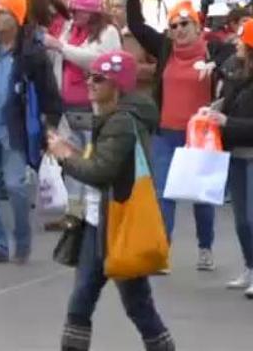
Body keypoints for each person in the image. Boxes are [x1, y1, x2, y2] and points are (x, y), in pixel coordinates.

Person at [48, 50, 176, 351]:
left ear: (117, 85)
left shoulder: (120, 122)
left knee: (135, 304)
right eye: (89, 76)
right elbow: (101, 165)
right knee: (85, 299)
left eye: (98, 78)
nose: (89, 83)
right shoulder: (110, 116)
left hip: (116, 224)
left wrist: (66, 157)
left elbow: (101, 171)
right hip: (100, 221)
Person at [126, 0, 234, 272]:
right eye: (174, 25)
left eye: (185, 23)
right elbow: (136, 26)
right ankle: (161, 251)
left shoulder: (212, 49)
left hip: (200, 135)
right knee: (163, 192)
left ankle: (205, 247)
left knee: (201, 196)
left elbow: (234, 53)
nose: (179, 30)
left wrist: (216, 66)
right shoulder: (165, 49)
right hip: (166, 132)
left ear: (197, 26)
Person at [0, 0, 62, 264]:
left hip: (16, 131)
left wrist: (49, 128)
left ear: (18, 19)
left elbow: (50, 96)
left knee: (16, 186)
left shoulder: (33, 54)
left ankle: (22, 236)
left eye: (4, 12)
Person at [43, 0, 122, 223]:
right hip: (68, 108)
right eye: (72, 9)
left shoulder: (108, 32)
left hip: (94, 110)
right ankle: (74, 214)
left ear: (92, 11)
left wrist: (61, 47)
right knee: (71, 164)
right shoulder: (70, 30)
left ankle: (95, 214)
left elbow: (97, 61)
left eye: (79, 10)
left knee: (94, 164)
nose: (74, 14)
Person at [200, 17, 253, 298]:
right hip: (235, 152)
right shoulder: (235, 69)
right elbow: (229, 100)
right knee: (242, 219)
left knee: (252, 217)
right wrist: (214, 108)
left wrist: (226, 121)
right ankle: (249, 266)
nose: (236, 45)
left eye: (242, 43)